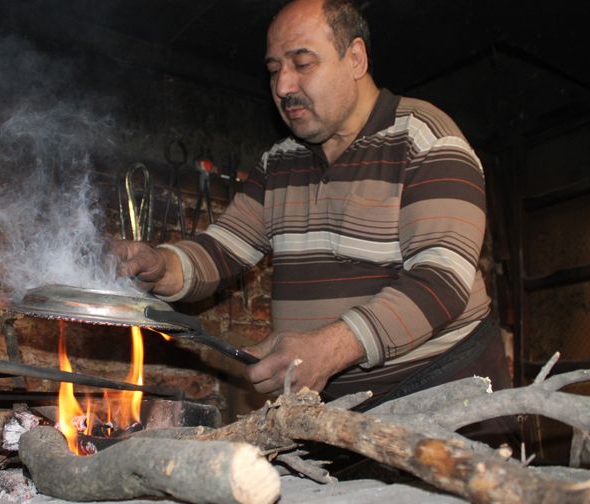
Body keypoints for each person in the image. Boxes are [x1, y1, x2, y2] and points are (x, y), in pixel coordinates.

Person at [113, 0, 510, 409]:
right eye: (273, 70)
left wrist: (330, 349)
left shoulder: (426, 140)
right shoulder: (281, 162)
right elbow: (220, 251)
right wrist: (160, 265)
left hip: (445, 398)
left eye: (302, 64)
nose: (283, 86)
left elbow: (440, 282)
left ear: (355, 58)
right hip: (341, 411)